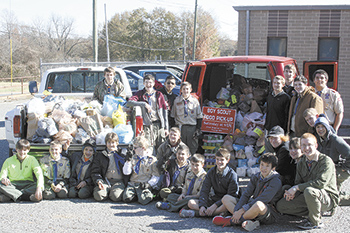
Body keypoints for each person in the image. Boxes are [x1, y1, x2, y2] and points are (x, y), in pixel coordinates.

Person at [276, 133, 339, 230]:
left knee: (310, 191)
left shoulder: (325, 161)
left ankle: (315, 222)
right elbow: (298, 182)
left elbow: (320, 183)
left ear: (316, 145)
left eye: (309, 145)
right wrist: (292, 193)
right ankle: (314, 211)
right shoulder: (302, 162)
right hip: (308, 195)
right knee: (281, 206)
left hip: (327, 197)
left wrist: (296, 188)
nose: (306, 148)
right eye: (303, 145)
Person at [213, 153, 282, 231]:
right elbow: (246, 194)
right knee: (226, 198)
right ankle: (246, 219)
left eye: (267, 166)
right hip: (251, 205)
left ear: (273, 168)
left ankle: (232, 221)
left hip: (267, 210)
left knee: (258, 205)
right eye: (262, 164)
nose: (263, 168)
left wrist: (242, 210)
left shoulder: (276, 181)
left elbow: (263, 199)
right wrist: (237, 211)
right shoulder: (256, 176)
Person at [179, 148, 239, 218]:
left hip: (224, 202)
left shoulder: (232, 175)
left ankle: (198, 213)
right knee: (191, 203)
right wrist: (202, 206)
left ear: (227, 160)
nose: (219, 162)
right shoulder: (211, 172)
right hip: (214, 199)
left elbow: (232, 195)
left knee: (225, 206)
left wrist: (215, 205)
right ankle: (212, 213)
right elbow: (205, 190)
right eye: (217, 159)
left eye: (222, 160)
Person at [314, 116, 350, 206]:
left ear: (327, 127)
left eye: (322, 126)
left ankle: (343, 198)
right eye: (318, 127)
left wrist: (344, 167)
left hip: (339, 169)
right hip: (326, 169)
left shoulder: (335, 139)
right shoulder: (316, 140)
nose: (320, 129)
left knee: (332, 196)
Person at [127, 74, 168, 149]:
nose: (148, 85)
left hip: (158, 124)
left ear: (154, 83)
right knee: (148, 147)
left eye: (150, 83)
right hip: (146, 125)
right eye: (146, 82)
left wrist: (166, 128)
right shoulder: (140, 94)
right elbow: (129, 102)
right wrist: (144, 104)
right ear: (143, 83)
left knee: (161, 147)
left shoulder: (159, 95)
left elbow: (164, 111)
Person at [91, 132, 130, 202]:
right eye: (109, 142)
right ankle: (106, 192)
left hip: (118, 181)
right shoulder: (101, 155)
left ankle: (113, 192)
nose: (111, 145)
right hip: (106, 180)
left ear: (117, 143)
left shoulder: (122, 154)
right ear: (106, 143)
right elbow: (95, 170)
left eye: (113, 142)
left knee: (116, 197)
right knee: (98, 195)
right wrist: (99, 181)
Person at [123, 136, 160, 205]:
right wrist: (128, 161)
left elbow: (156, 176)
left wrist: (148, 184)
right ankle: (136, 195)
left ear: (143, 148)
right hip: (133, 183)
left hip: (143, 184)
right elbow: (126, 172)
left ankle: (148, 195)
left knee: (144, 200)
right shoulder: (133, 158)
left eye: (135, 148)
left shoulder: (152, 160)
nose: (133, 149)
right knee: (126, 198)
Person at [171, 82, 203, 154]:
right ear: (181, 90)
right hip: (181, 127)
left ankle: (191, 162)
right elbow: (173, 115)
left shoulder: (195, 101)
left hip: (192, 127)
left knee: (192, 147)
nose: (186, 91)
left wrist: (198, 129)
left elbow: (199, 116)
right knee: (180, 147)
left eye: (187, 89)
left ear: (190, 90)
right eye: (184, 89)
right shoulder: (177, 100)